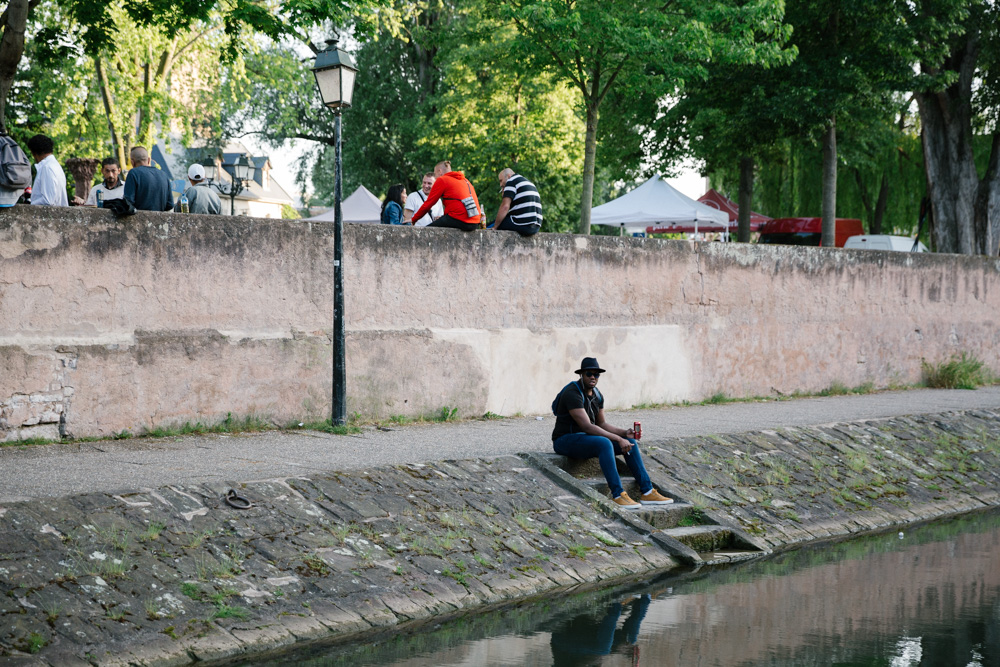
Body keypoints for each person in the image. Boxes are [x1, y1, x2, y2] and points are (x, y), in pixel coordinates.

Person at [552, 357, 673, 509]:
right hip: (565, 440)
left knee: (631, 443)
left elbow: (601, 423)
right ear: (581, 375)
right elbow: (587, 426)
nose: (593, 377)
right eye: (589, 374)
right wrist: (617, 438)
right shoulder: (572, 392)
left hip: (586, 439)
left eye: (597, 375)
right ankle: (617, 494)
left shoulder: (597, 394)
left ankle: (647, 492)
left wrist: (624, 434)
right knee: (604, 443)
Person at [408, 160, 483, 231]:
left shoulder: (442, 180)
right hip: (475, 222)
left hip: (460, 220)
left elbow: (428, 204)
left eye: (435, 174)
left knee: (426, 232)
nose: (435, 177)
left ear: (440, 171)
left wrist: (414, 219)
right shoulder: (466, 180)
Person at [492, 168, 542, 236]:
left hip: (522, 224)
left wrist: (495, 227)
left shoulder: (511, 181)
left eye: (501, 180)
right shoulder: (529, 183)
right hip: (536, 227)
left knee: (490, 226)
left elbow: (505, 207)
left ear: (508, 176)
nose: (500, 184)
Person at [123, 146, 173, 212]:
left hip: (139, 220)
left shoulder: (133, 173)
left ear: (132, 162)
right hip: (160, 219)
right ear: (149, 160)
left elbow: (128, 203)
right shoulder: (164, 175)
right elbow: (170, 204)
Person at [26, 134, 68, 206]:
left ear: (34, 153)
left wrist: (29, 205)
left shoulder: (47, 167)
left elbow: (48, 200)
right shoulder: (55, 165)